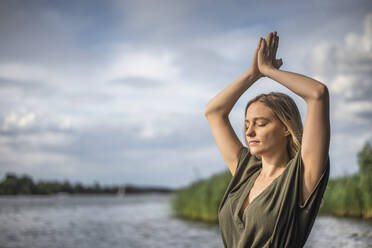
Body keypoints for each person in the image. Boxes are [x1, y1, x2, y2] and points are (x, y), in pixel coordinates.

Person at [204, 31, 330, 247]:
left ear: (286, 128)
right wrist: (253, 73)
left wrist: (269, 71)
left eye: (260, 123)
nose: (249, 132)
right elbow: (213, 112)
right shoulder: (246, 170)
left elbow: (317, 94)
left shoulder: (301, 176)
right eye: (246, 125)